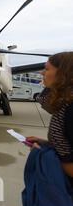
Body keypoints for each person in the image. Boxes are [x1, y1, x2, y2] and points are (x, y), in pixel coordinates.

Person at [25, 52, 73, 190]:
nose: (41, 73)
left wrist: (44, 156)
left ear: (63, 74)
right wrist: (46, 144)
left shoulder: (70, 109)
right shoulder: (65, 104)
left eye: (46, 69)